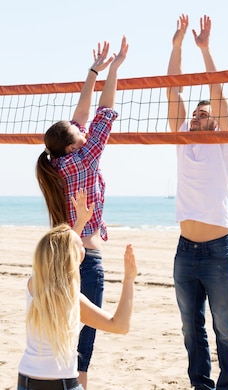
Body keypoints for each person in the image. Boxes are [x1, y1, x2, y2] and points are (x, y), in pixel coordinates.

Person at [34, 37, 128, 389]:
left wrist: (93, 71)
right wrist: (114, 70)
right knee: (84, 340)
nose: (83, 131)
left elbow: (81, 115)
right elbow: (104, 110)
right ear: (75, 143)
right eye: (79, 134)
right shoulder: (86, 157)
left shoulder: (56, 162)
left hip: (60, 253)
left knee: (62, 332)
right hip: (85, 255)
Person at [166, 14, 228, 390]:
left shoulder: (225, 145)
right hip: (185, 249)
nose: (197, 117)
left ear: (215, 122)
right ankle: (201, 386)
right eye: (196, 114)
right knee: (190, 327)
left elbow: (218, 91)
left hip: (217, 250)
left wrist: (205, 50)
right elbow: (172, 90)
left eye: (204, 114)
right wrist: (177, 45)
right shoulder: (181, 138)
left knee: (225, 329)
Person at [18, 189, 137, 390]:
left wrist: (80, 221)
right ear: (72, 257)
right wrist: (129, 279)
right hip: (61, 384)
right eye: (80, 244)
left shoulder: (34, 284)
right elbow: (120, 326)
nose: (83, 244)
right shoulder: (73, 301)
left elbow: (58, 250)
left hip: (27, 380)